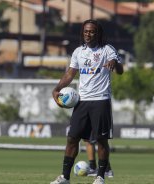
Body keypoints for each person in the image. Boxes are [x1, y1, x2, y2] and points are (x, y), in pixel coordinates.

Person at [50, 19, 123, 184]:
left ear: (98, 33)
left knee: (101, 140)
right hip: (82, 102)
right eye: (86, 31)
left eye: (91, 31)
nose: (88, 34)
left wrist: (115, 63)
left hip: (101, 100)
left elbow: (120, 70)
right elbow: (70, 74)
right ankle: (64, 177)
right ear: (82, 33)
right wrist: (57, 89)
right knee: (72, 138)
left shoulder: (107, 49)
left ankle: (100, 177)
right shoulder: (78, 52)